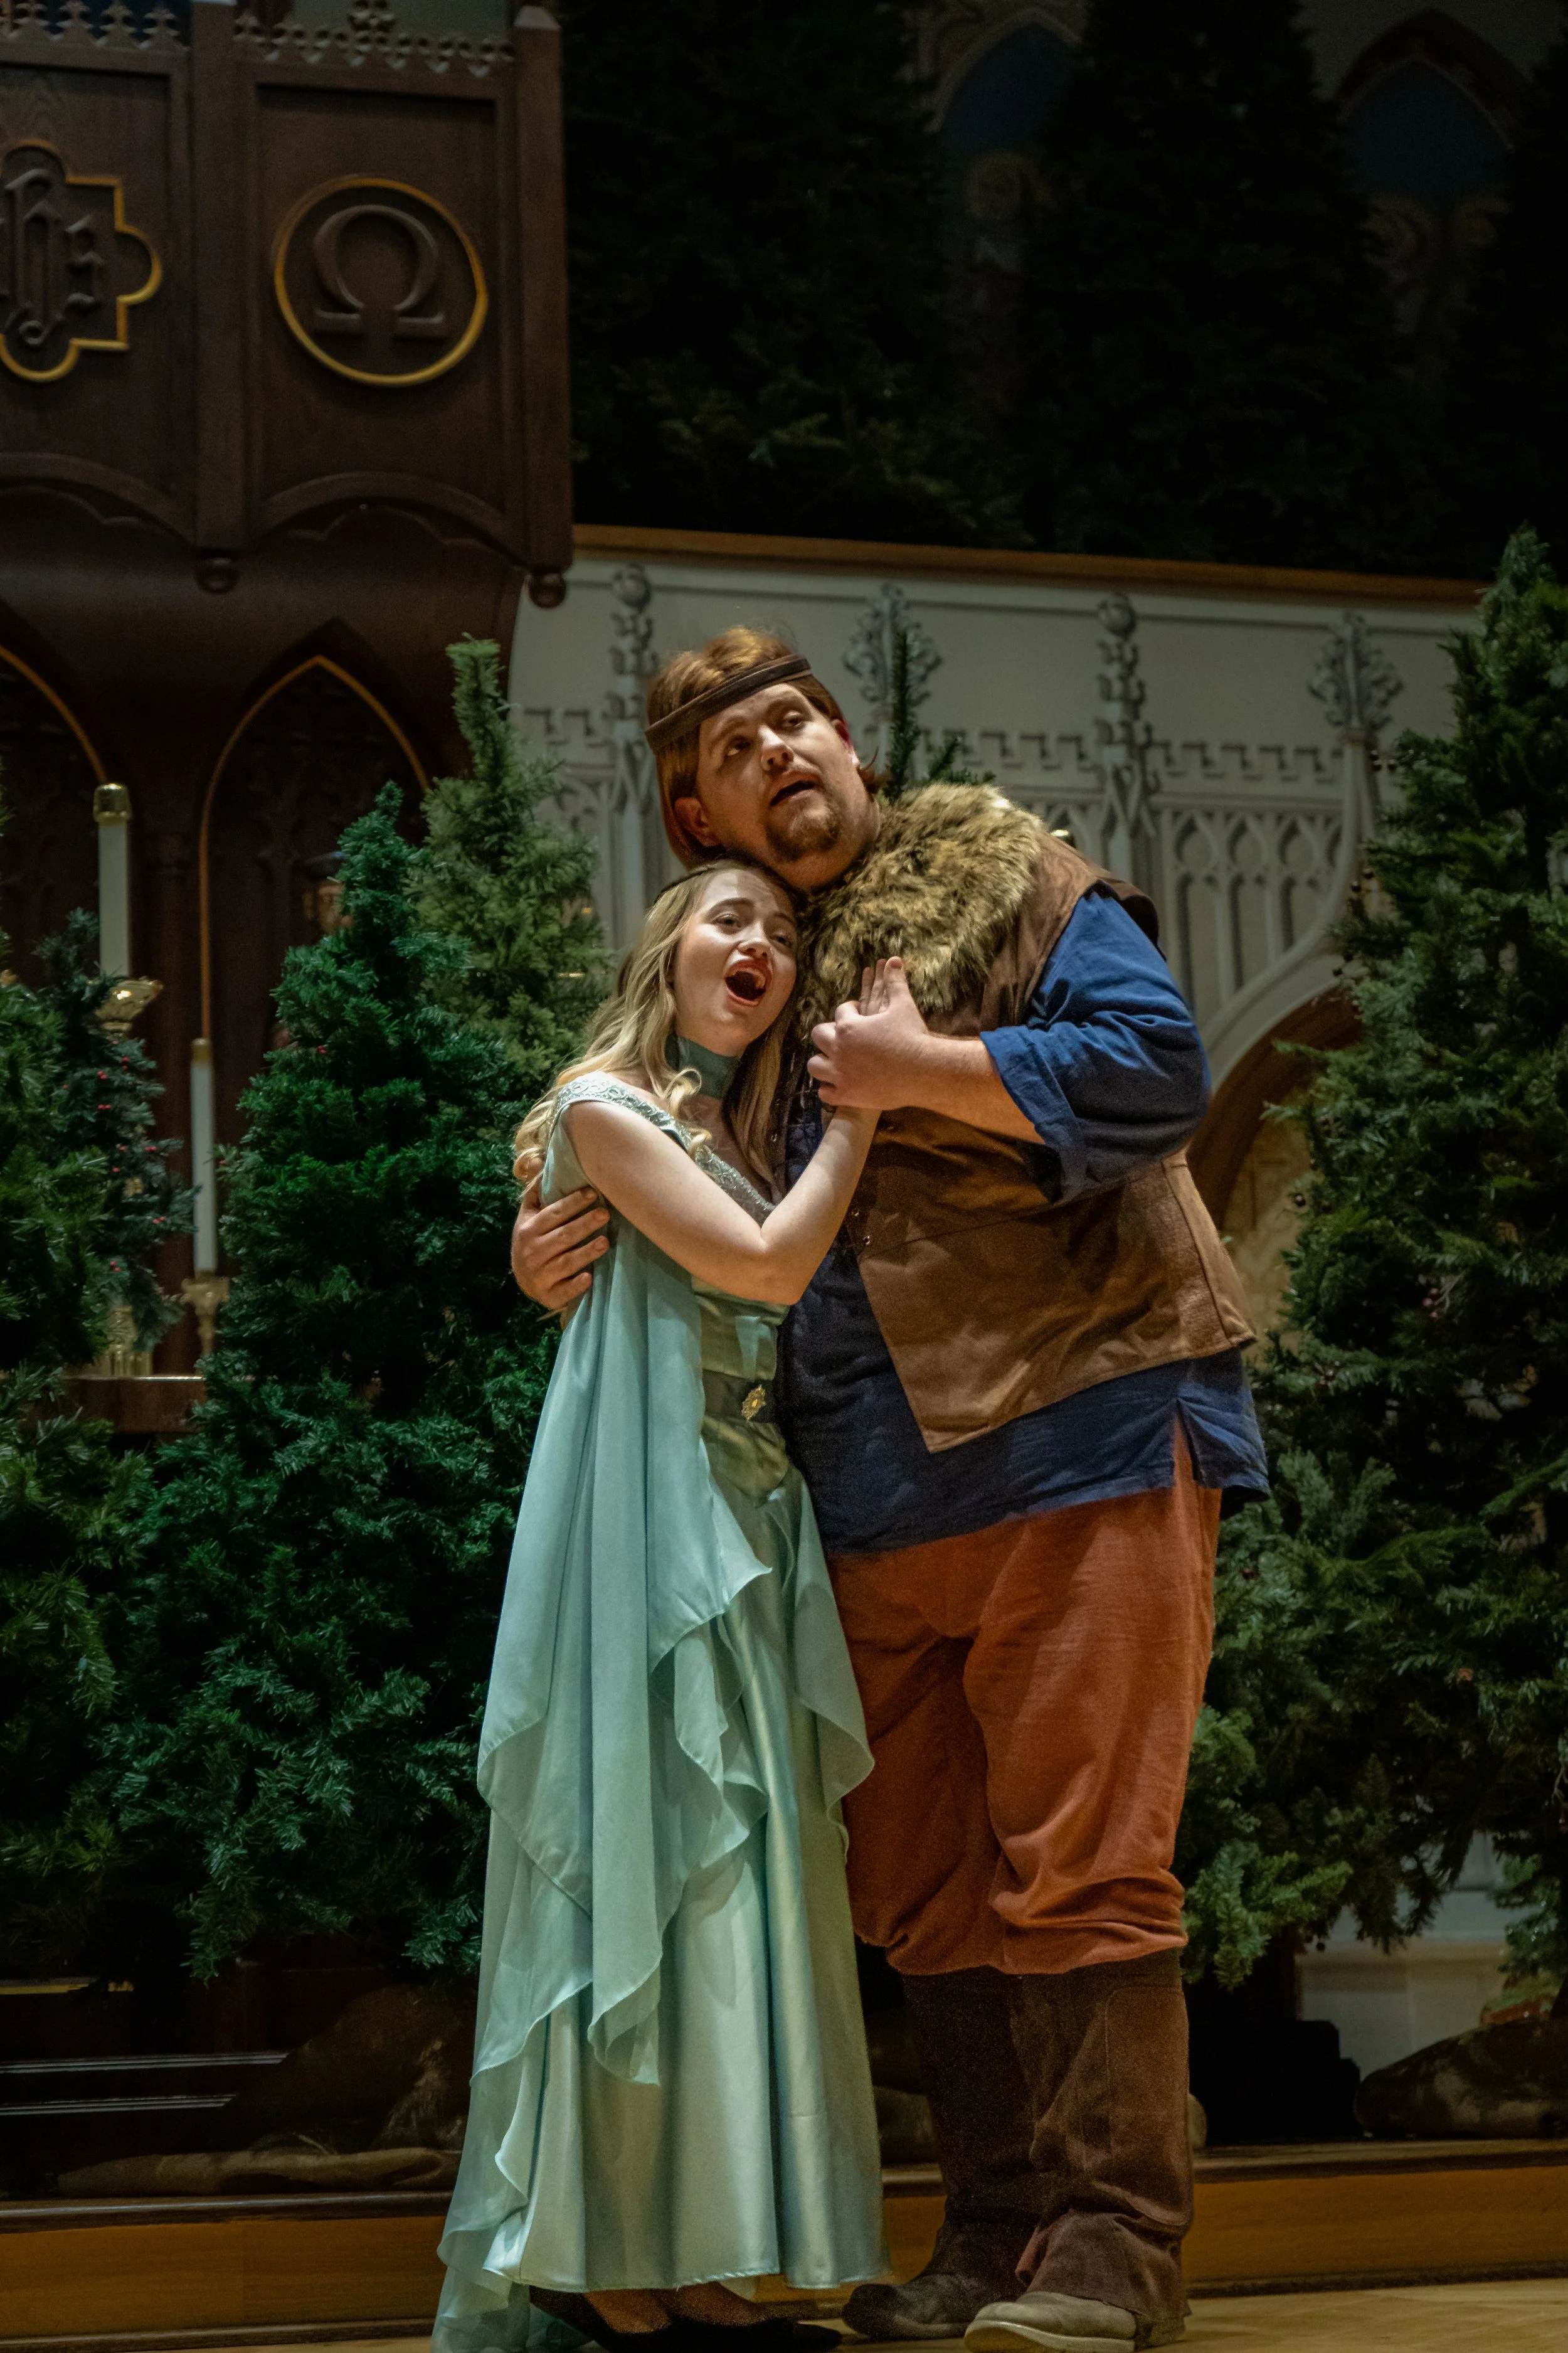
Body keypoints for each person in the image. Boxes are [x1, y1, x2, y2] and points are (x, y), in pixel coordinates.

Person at [512, 632, 1268, 2353]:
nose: (780, 745)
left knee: (1081, 1863)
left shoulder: (1010, 878)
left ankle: (1107, 2252)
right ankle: (989, 2233)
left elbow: (1158, 1068)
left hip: (1074, 1422)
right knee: (923, 1882)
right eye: (732, 743)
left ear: (846, 744)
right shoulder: (752, 982)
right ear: (693, 808)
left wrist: (926, 1071)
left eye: (797, 715)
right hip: (854, 1497)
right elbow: (626, 1139)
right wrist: (543, 1229)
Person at [436, 859, 897, 2353]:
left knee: (730, 1864)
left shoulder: (731, 1126)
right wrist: (867, 1116)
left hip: (744, 1512)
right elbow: (762, 1263)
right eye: (727, 919)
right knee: (635, 1833)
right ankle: (595, 2234)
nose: (756, 942)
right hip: (640, 1519)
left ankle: (703, 2237)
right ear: (667, 952)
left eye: (778, 930)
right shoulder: (598, 1107)